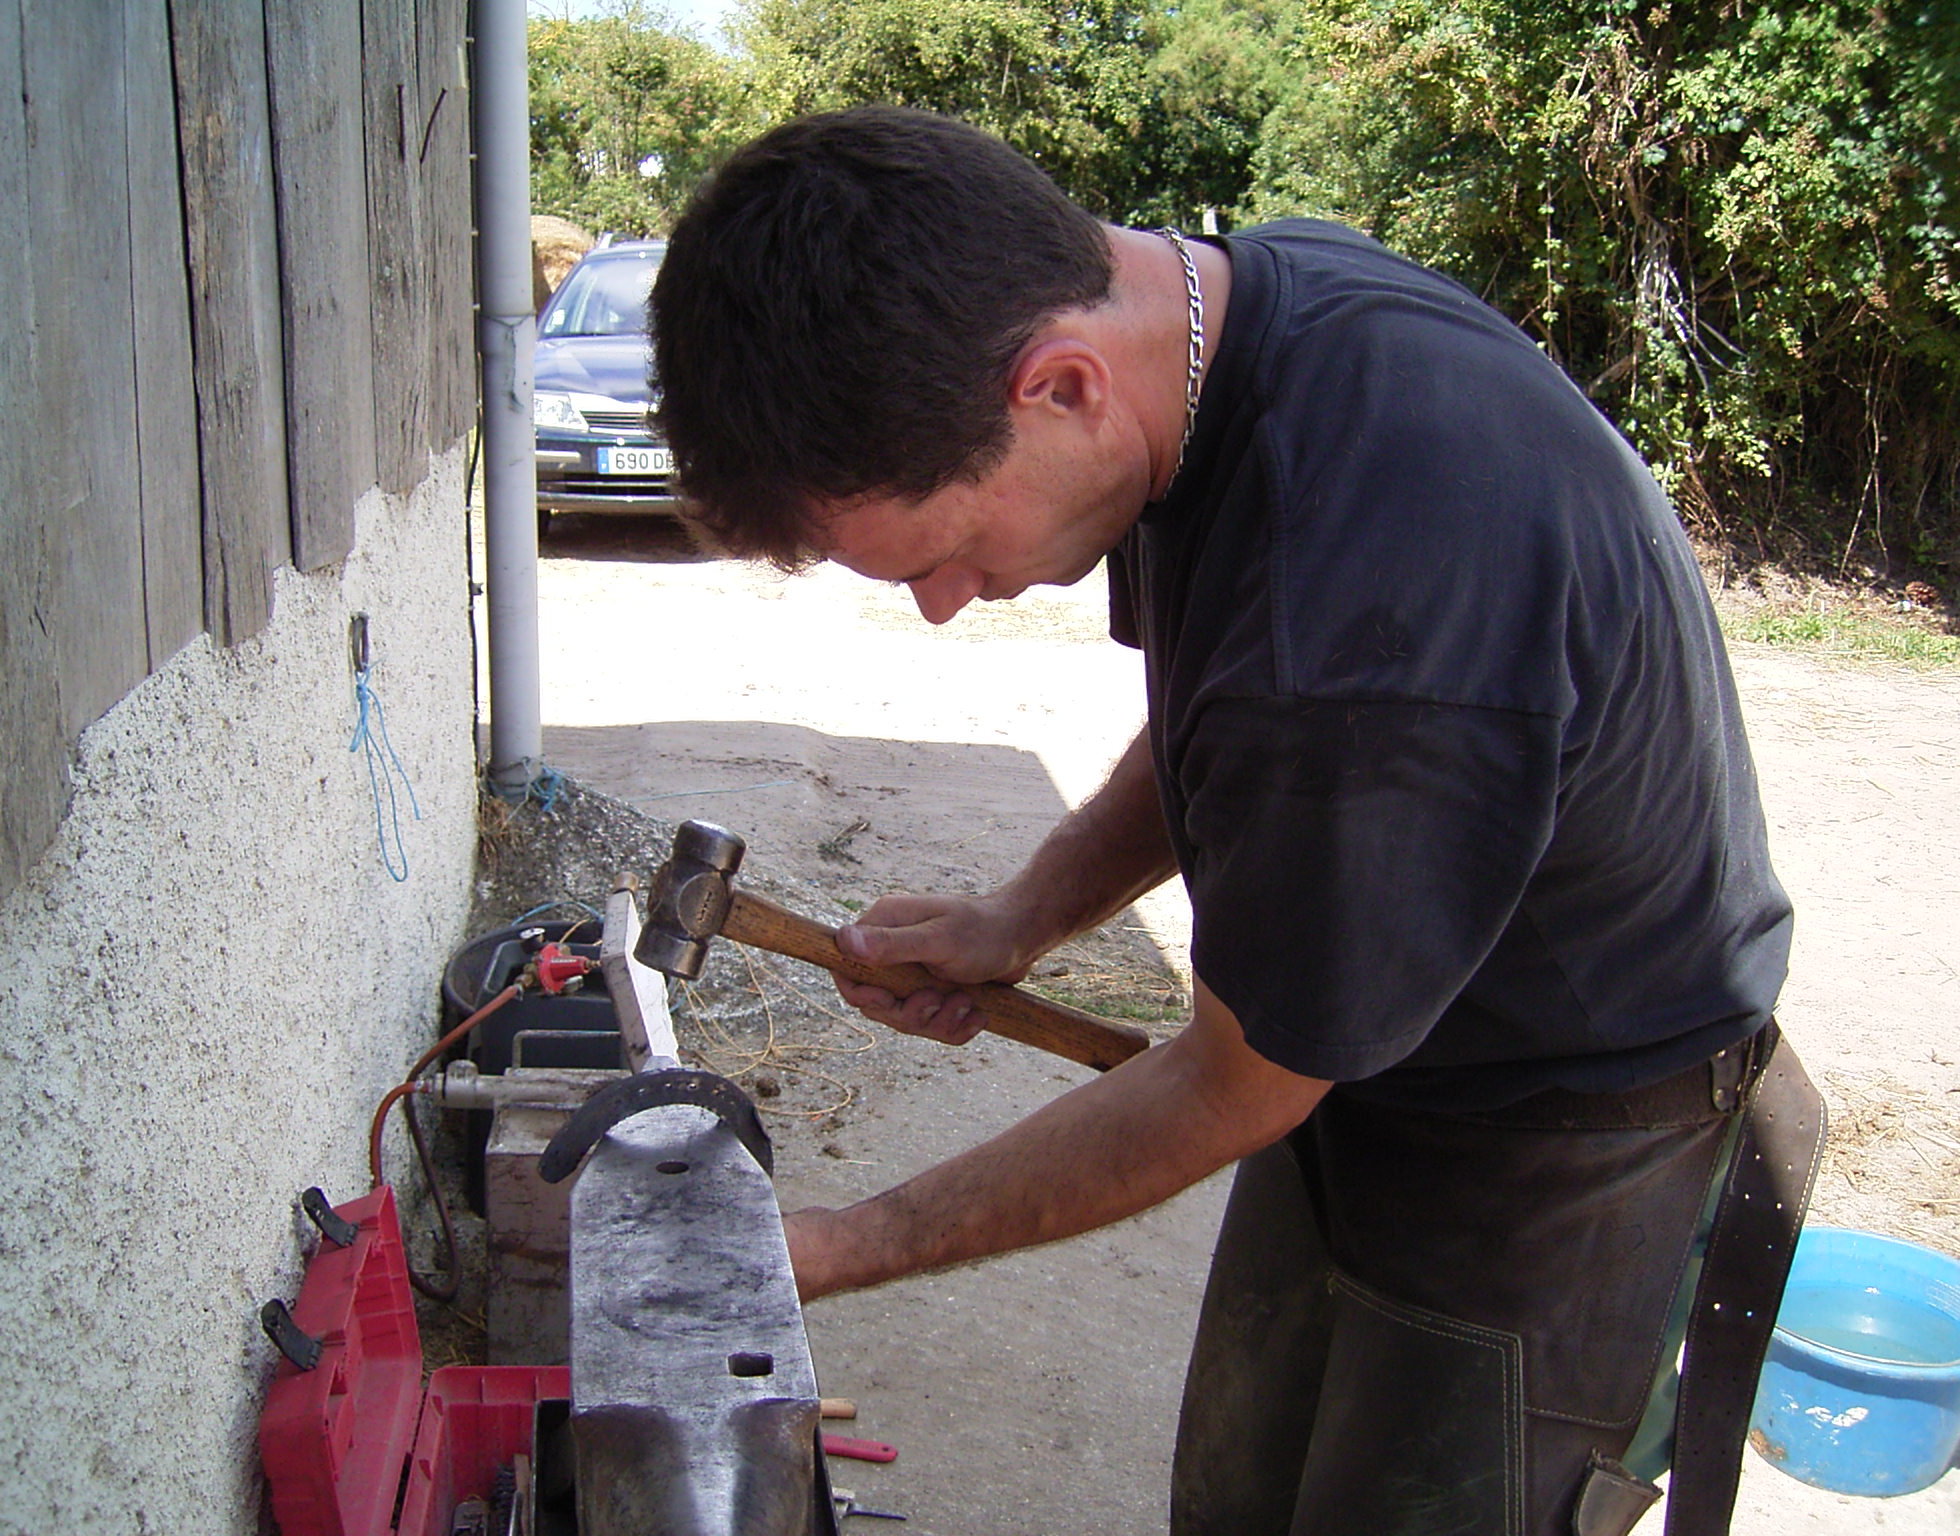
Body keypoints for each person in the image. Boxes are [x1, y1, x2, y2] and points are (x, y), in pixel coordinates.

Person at [647, 105, 1824, 1536]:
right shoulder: (1216, 337)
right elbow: (1230, 713)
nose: (944, 607)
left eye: (940, 555)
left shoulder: (1378, 592)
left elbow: (1234, 1081)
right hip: (1360, 1061)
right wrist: (1023, 918)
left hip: (1561, 1144)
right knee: (1239, 1497)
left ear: (1061, 385)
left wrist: (841, 1242)